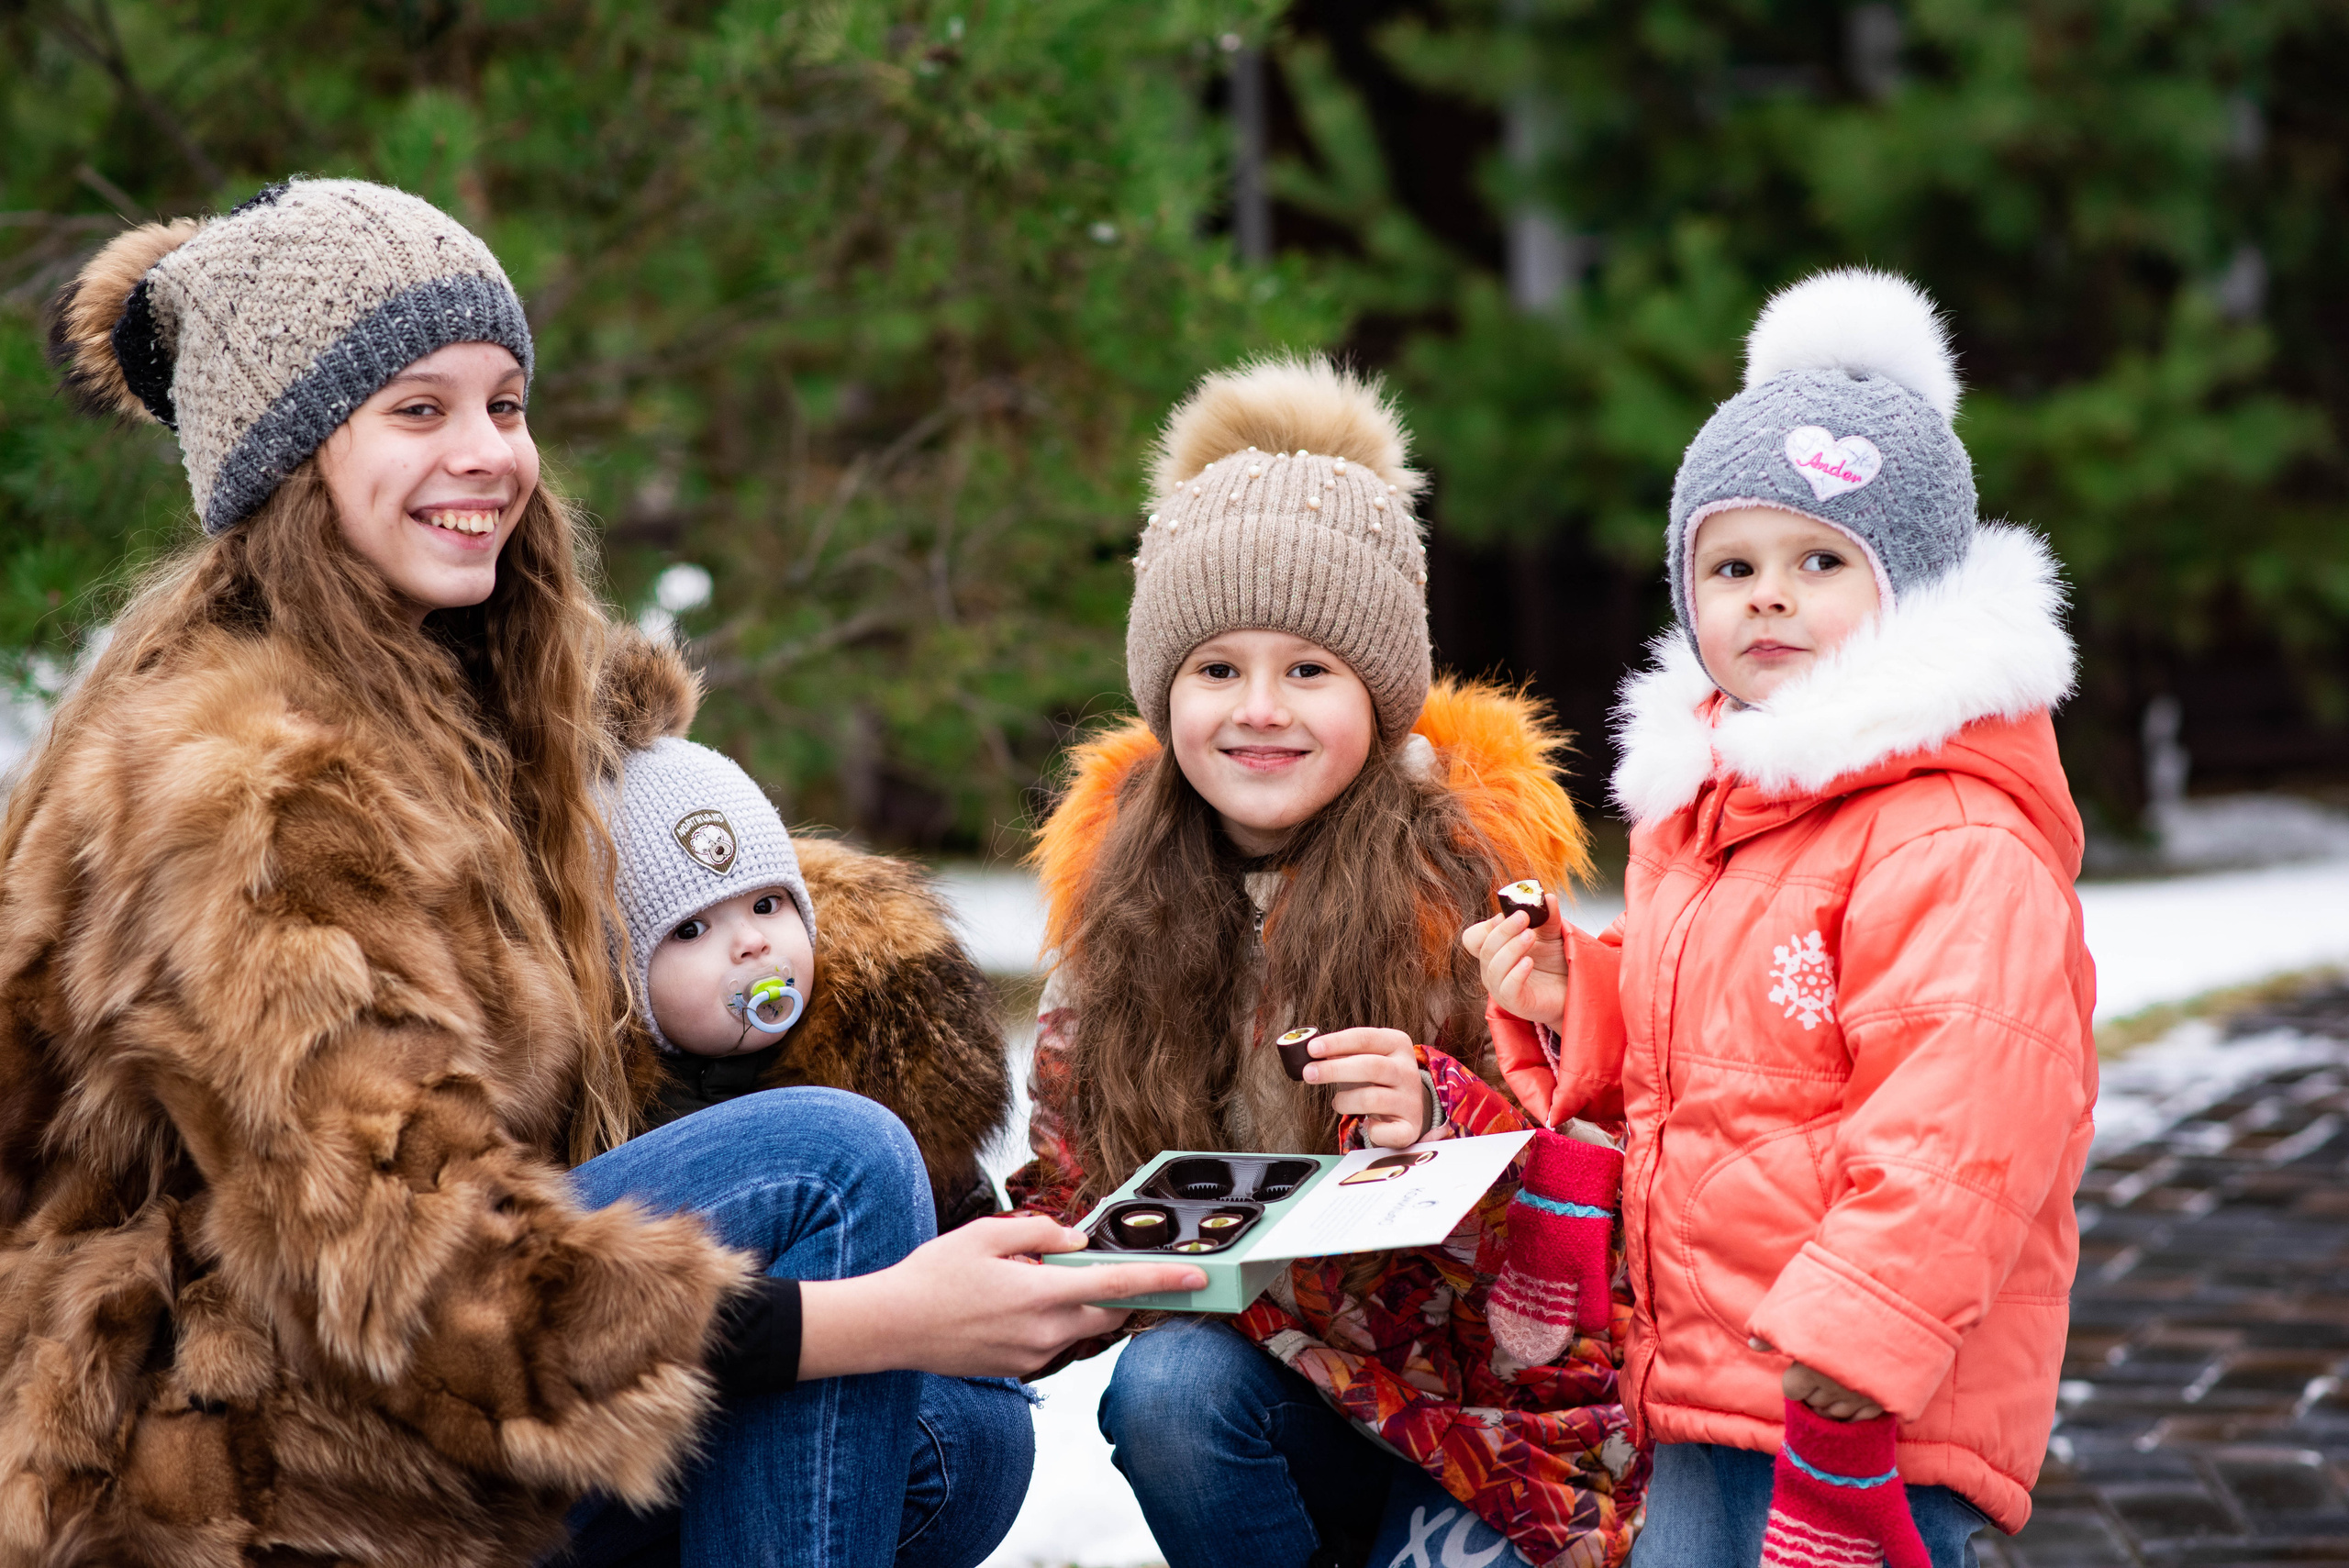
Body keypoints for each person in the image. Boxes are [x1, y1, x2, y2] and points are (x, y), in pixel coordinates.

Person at [4, 177, 1198, 1568]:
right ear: (289, 458)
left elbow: (633, 1023)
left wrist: (877, 1016)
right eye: (417, 409)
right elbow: (424, 1289)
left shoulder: (465, 707)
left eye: (504, 403)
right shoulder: (255, 792)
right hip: (234, 1481)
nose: (490, 454)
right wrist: (894, 1311)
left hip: (401, 1407)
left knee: (957, 1443)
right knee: (828, 1169)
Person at [1465, 269, 2098, 1568]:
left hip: (1871, 1389)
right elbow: (1726, 1027)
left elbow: (1970, 1114)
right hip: (1713, 1359)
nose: (1768, 594)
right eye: (1732, 562)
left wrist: (1866, 1329)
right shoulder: (1717, 809)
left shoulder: (1951, 834)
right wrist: (1577, 989)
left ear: (1913, 591)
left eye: (1821, 562)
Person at [1007, 356, 1643, 1568]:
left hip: (1475, 1415)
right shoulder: (1123, 906)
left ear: (1382, 690)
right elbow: (1078, 1178)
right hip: (1271, 1400)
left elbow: (1588, 1161)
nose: (1260, 709)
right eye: (1215, 669)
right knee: (1166, 1389)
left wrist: (1439, 1111)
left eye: (1309, 669)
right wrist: (1025, 1257)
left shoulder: (1465, 886)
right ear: (1163, 688)